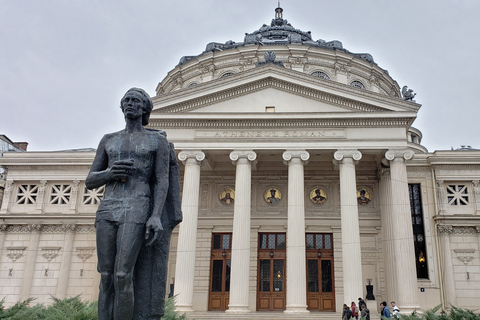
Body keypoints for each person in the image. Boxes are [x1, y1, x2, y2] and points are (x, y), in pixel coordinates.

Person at [86, 88, 182, 320]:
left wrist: (156, 215)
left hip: (138, 206)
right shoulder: (109, 140)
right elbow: (90, 180)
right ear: (121, 106)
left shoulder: (156, 140)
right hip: (109, 206)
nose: (130, 104)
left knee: (122, 274)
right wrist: (109, 172)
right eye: (126, 100)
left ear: (145, 108)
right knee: (106, 274)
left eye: (136, 101)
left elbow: (161, 181)